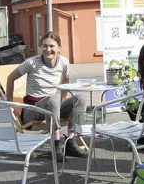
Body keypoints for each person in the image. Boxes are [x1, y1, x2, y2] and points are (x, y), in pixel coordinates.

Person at [5, 31, 87, 161]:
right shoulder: (31, 62)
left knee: (81, 99)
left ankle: (70, 141)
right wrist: (9, 103)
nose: (48, 49)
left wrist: (62, 101)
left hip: (52, 106)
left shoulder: (64, 62)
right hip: (33, 110)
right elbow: (10, 78)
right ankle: (55, 144)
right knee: (53, 99)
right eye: (44, 46)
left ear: (59, 47)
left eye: (52, 46)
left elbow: (65, 80)